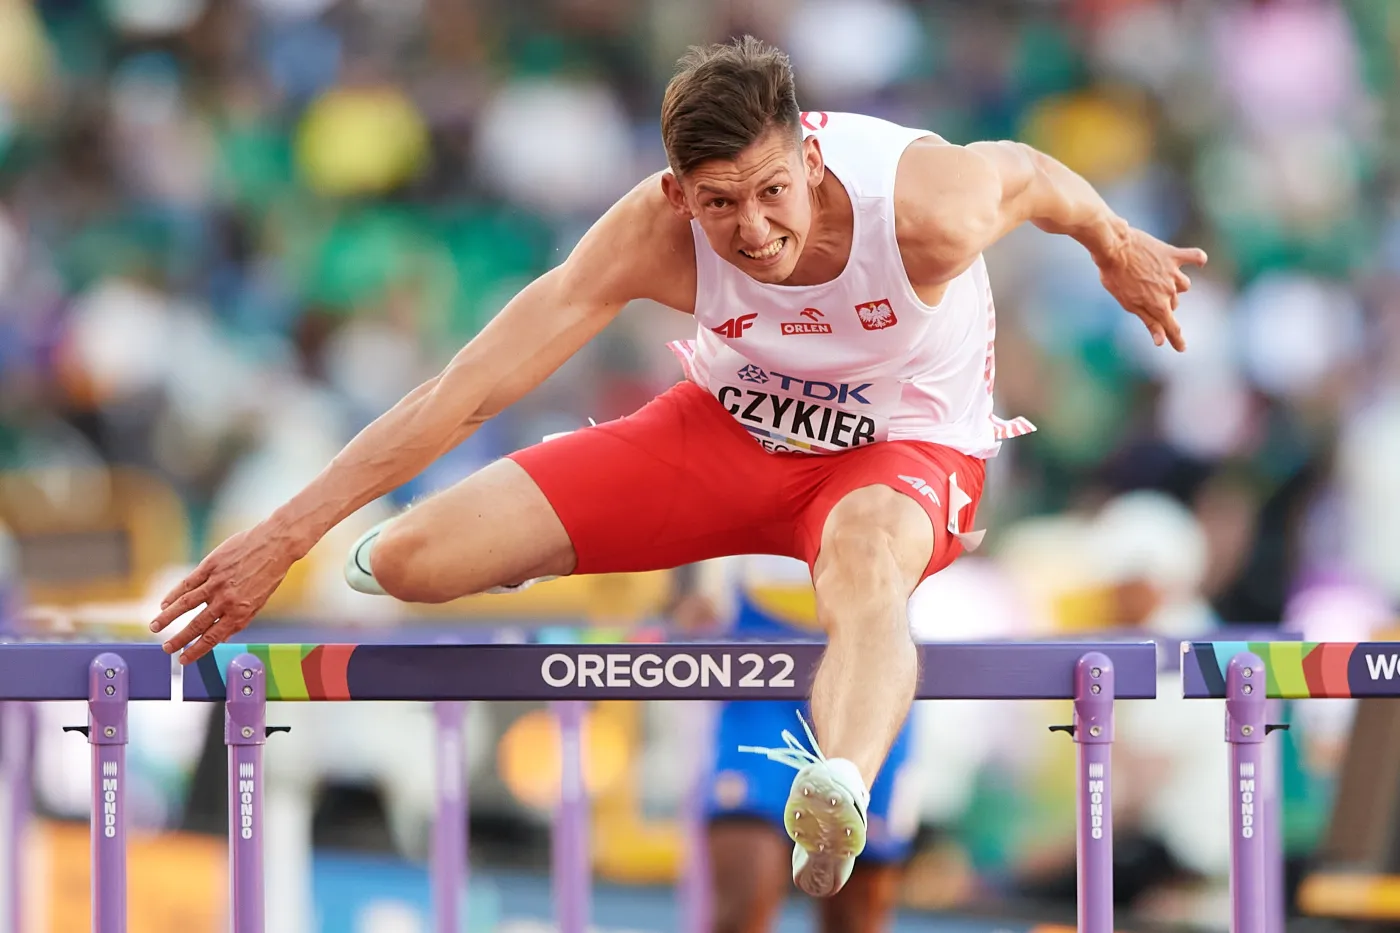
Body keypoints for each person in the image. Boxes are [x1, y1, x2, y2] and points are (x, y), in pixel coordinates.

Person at [150, 36, 1205, 899]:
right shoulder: (648, 236)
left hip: (901, 451)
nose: (750, 230)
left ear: (812, 158)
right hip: (725, 433)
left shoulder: (923, 203)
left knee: (865, 557)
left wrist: (1112, 240)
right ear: (675, 192)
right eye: (717, 203)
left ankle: (833, 785)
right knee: (404, 562)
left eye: (770, 192)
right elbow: (462, 391)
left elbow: (1035, 173)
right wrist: (285, 535)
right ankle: (561, 542)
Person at [674, 555, 921, 931]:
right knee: (743, 893)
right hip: (760, 655)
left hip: (873, 663)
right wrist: (688, 586)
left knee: (856, 914)